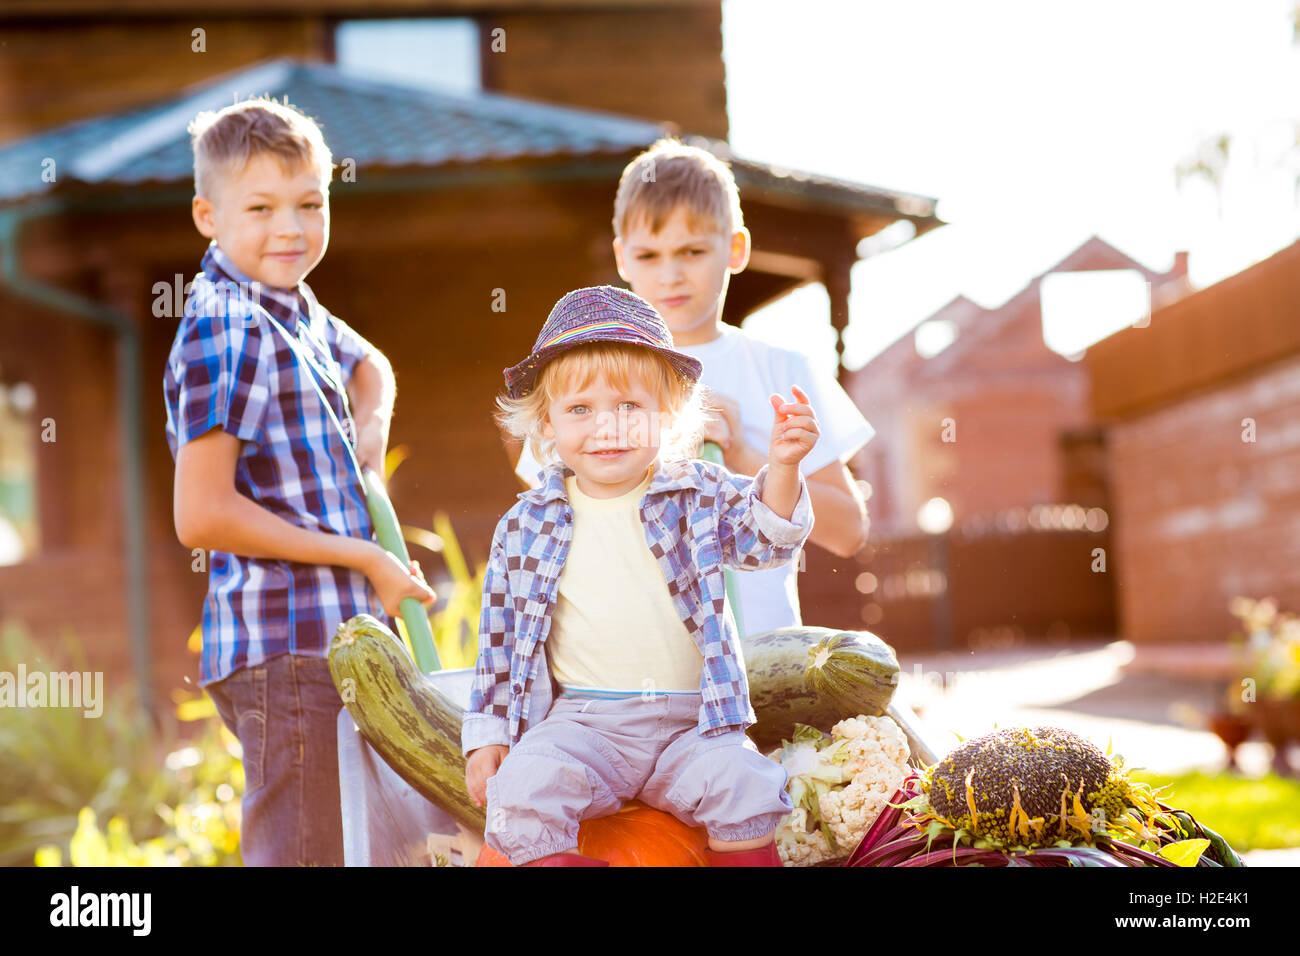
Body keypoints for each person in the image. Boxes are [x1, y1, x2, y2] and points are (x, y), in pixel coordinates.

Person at [163, 97, 435, 866]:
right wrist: (363, 556)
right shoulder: (228, 323)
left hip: (329, 641)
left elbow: (370, 366)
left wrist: (369, 453)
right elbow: (203, 515)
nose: (291, 227)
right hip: (285, 647)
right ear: (207, 216)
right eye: (260, 207)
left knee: (356, 845)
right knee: (307, 852)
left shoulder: (294, 308)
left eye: (310, 203)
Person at [464, 285, 819, 866]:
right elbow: (499, 645)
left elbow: (765, 542)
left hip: (693, 720)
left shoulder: (697, 491)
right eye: (580, 409)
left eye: (629, 406)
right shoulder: (524, 524)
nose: (608, 428)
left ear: (669, 412)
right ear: (546, 422)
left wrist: (782, 467)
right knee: (523, 792)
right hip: (583, 724)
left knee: (742, 783)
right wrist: (488, 738)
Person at [513, 139, 873, 636]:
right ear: (622, 257)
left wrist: (748, 456)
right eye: (649, 255)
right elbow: (553, 527)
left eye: (693, 251)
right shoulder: (583, 375)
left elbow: (850, 532)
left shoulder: (783, 371)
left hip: (762, 656)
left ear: (736, 249)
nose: (670, 275)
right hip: (638, 669)